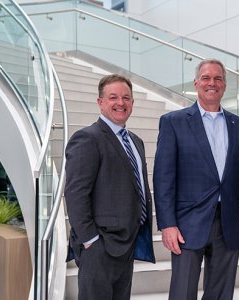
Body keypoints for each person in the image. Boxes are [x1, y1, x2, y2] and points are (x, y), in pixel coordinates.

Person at [153, 58, 239, 300]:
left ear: (224, 84)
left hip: (229, 222)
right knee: (183, 293)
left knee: (221, 294)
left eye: (218, 78)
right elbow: (163, 178)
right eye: (206, 78)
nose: (212, 83)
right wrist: (167, 224)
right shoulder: (174, 122)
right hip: (187, 223)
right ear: (196, 83)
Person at [65, 74, 155, 299]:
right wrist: (90, 240)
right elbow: (76, 194)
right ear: (100, 102)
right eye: (113, 97)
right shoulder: (87, 138)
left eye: (126, 98)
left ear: (133, 103)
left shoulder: (135, 141)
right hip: (99, 246)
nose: (120, 103)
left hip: (127, 242)